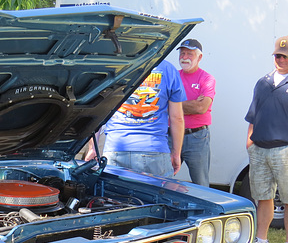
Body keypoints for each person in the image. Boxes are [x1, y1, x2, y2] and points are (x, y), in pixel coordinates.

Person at [85, 60, 186, 177]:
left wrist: (93, 148)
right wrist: (176, 153)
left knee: (114, 195)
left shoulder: (112, 65)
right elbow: (177, 118)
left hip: (115, 148)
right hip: (155, 151)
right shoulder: (168, 69)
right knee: (154, 195)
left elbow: (97, 111)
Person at [245, 35, 288, 243]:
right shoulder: (262, 82)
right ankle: (261, 241)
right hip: (259, 148)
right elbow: (253, 113)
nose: (280, 59)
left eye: (285, 56)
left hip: (285, 150)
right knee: (263, 197)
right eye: (278, 55)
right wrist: (249, 140)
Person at [177, 39, 216, 187]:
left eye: (190, 54)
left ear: (199, 57)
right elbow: (161, 104)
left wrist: (173, 104)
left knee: (201, 184)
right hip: (172, 135)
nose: (185, 57)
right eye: (182, 53)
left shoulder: (207, 79)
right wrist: (192, 103)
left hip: (197, 137)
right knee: (163, 181)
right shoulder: (173, 76)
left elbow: (201, 108)